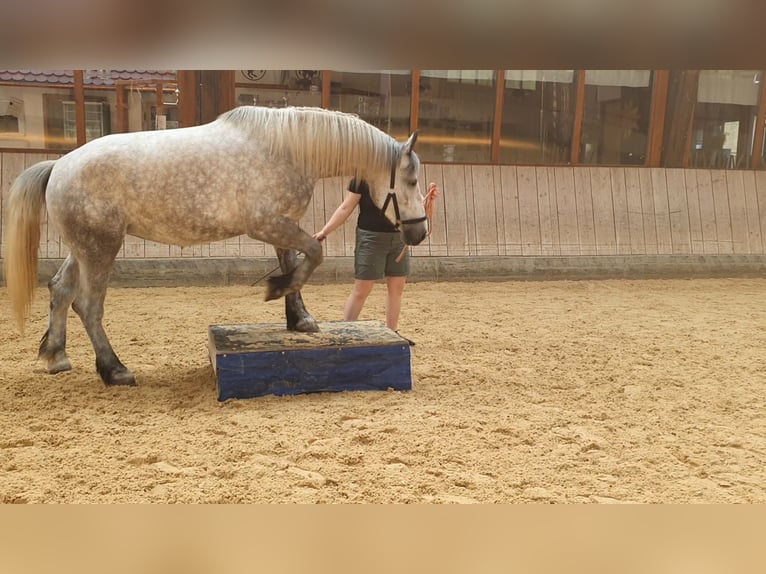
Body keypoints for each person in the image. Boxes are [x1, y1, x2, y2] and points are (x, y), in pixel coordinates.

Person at [313, 178, 440, 345]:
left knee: (397, 287)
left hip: (399, 238)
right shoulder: (362, 178)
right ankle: (346, 332)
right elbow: (345, 207)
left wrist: (430, 200)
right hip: (370, 238)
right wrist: (324, 232)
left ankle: (392, 333)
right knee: (362, 289)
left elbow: (417, 207)